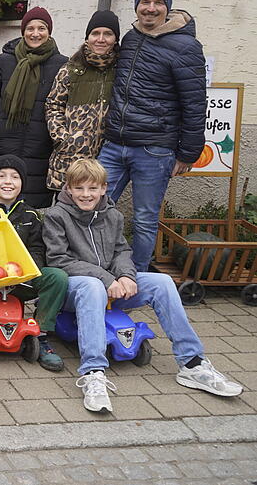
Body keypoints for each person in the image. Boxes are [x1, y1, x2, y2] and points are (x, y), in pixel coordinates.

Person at [43, 159, 242, 412]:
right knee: (92, 287)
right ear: (69, 189)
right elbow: (59, 260)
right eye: (79, 189)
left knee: (162, 282)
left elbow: (121, 251)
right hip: (76, 290)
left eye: (92, 188)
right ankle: (94, 373)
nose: (86, 195)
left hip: (113, 284)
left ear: (104, 188)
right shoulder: (56, 216)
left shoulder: (112, 216)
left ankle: (192, 363)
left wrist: (126, 276)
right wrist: (107, 279)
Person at [99, 0, 206, 271]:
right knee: (92, 207)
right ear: (137, 5)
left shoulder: (186, 47)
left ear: (167, 8)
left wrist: (188, 154)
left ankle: (138, 278)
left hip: (154, 150)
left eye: (158, 3)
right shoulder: (131, 38)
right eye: (145, 2)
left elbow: (195, 104)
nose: (151, 8)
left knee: (144, 219)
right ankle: (100, 270)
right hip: (115, 144)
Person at [0, 154, 68, 372]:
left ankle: (42, 334)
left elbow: (37, 248)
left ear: (22, 183)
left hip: (20, 280)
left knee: (57, 277)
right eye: (2, 176)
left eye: (15, 177)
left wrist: (26, 271)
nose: (8, 181)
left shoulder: (31, 215)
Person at [0, 7, 68, 208]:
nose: (35, 33)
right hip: (1, 143)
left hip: (39, 148)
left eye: (41, 28)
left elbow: (63, 105)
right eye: (30, 28)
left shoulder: (62, 65)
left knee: (30, 210)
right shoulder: (6, 60)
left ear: (49, 31)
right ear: (23, 31)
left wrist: (54, 134)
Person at [44, 10, 120, 193]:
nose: (101, 39)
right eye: (95, 33)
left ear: (116, 39)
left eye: (108, 34)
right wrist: (63, 137)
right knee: (66, 211)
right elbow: (53, 105)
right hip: (70, 157)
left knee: (100, 209)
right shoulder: (71, 69)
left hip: (106, 157)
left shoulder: (122, 71)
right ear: (87, 38)